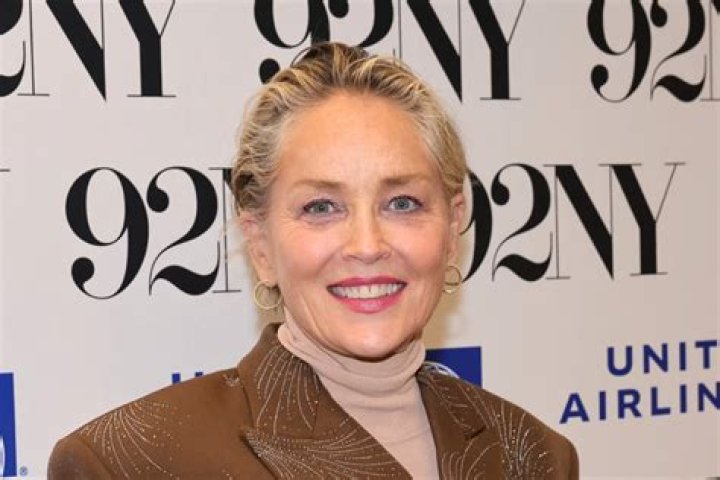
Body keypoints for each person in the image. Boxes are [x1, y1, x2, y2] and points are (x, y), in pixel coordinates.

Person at [48, 42, 578, 479]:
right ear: (260, 244)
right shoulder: (127, 464)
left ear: (453, 226)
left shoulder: (535, 457)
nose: (367, 245)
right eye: (321, 207)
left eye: (402, 203)